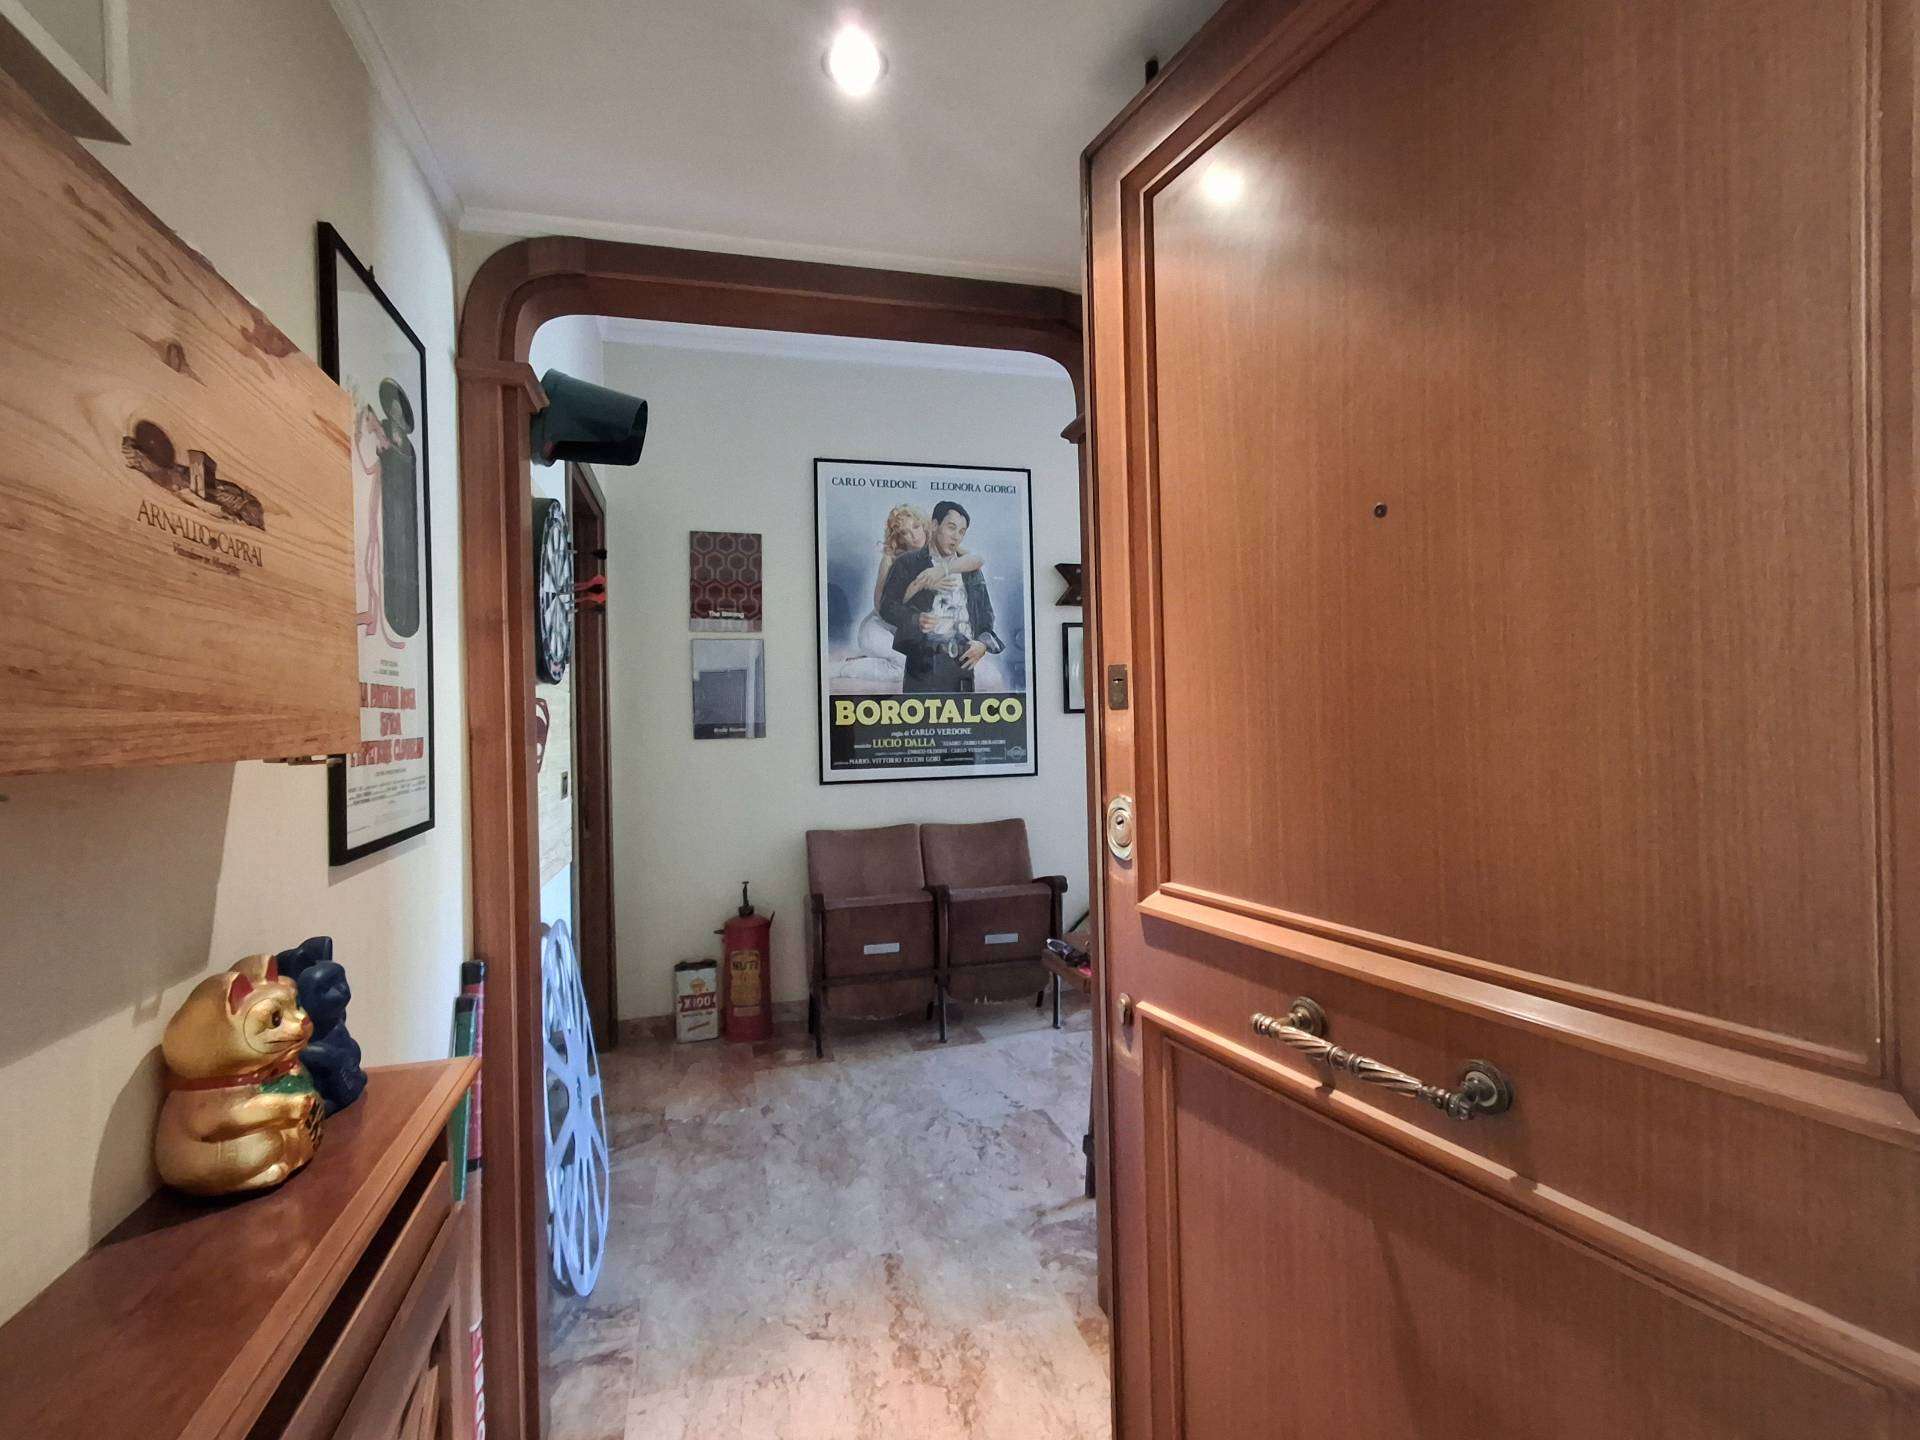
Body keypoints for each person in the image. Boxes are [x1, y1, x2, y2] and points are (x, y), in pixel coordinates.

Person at [831, 503, 985, 686]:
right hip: (879, 628)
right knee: (907, 667)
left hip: (910, 631)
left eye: (916, 527)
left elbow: (977, 559)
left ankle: (870, 660)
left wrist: (942, 570)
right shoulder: (891, 559)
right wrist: (920, 585)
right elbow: (881, 607)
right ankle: (844, 668)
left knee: (927, 664)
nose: (914, 536)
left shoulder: (937, 547)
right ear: (898, 536)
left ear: (925, 525)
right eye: (905, 532)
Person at [879, 500, 1004, 693]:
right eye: (951, 527)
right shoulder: (907, 563)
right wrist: (916, 619)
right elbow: (887, 607)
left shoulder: (970, 570)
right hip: (923, 663)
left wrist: (982, 645)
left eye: (961, 532)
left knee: (963, 713)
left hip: (963, 663)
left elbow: (986, 615)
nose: (956, 537)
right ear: (935, 525)